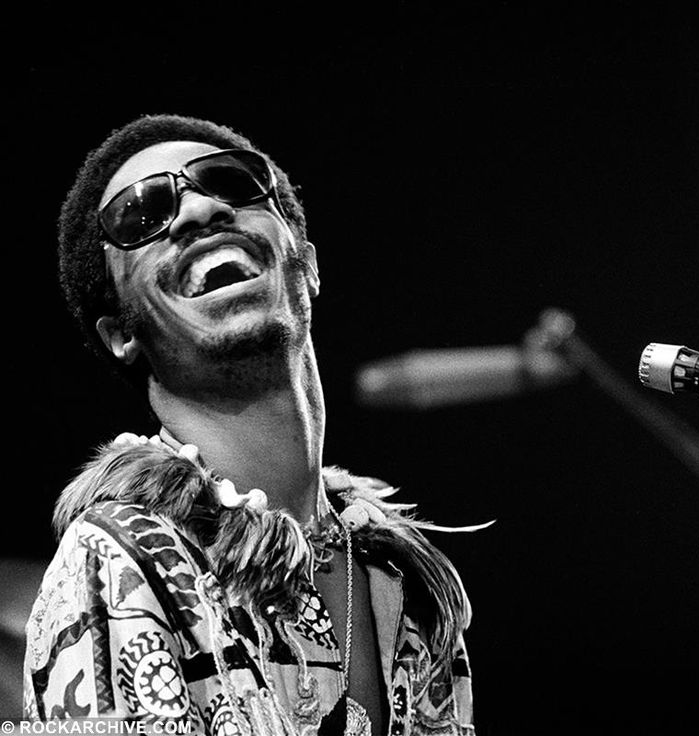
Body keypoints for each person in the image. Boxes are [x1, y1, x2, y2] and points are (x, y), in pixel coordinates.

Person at [23, 114, 480, 735]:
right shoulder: (116, 560)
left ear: (309, 265)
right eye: (142, 213)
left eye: (230, 182)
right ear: (122, 334)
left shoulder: (409, 590)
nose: (198, 209)